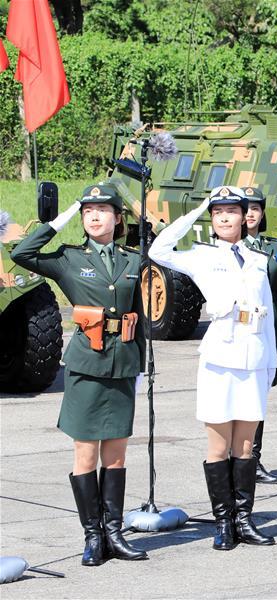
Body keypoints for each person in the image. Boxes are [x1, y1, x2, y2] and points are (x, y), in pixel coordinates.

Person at [11, 183, 148, 566]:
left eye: (103, 209)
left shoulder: (132, 260)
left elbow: (139, 315)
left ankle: (114, 532)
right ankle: (93, 535)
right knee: (86, 453)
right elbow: (22, 252)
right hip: (87, 365)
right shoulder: (69, 258)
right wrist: (60, 218)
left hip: (122, 364)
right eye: (88, 210)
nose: (94, 215)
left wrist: (143, 362)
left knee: (116, 455)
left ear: (118, 218)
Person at [149, 185, 276, 550]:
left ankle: (243, 519)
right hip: (220, 357)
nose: (224, 217)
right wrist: (195, 209)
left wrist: (269, 365)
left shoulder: (257, 259)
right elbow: (159, 250)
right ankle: (223, 522)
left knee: (246, 445)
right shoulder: (201, 255)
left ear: (245, 217)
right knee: (219, 446)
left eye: (231, 211)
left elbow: (267, 318)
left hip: (252, 355)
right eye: (217, 211)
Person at [242, 186, 277, 485]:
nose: (249, 214)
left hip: (267, 333)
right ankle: (241, 458)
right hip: (240, 332)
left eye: (255, 208)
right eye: (243, 208)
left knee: (258, 398)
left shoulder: (272, 248)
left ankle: (253, 458)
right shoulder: (229, 247)